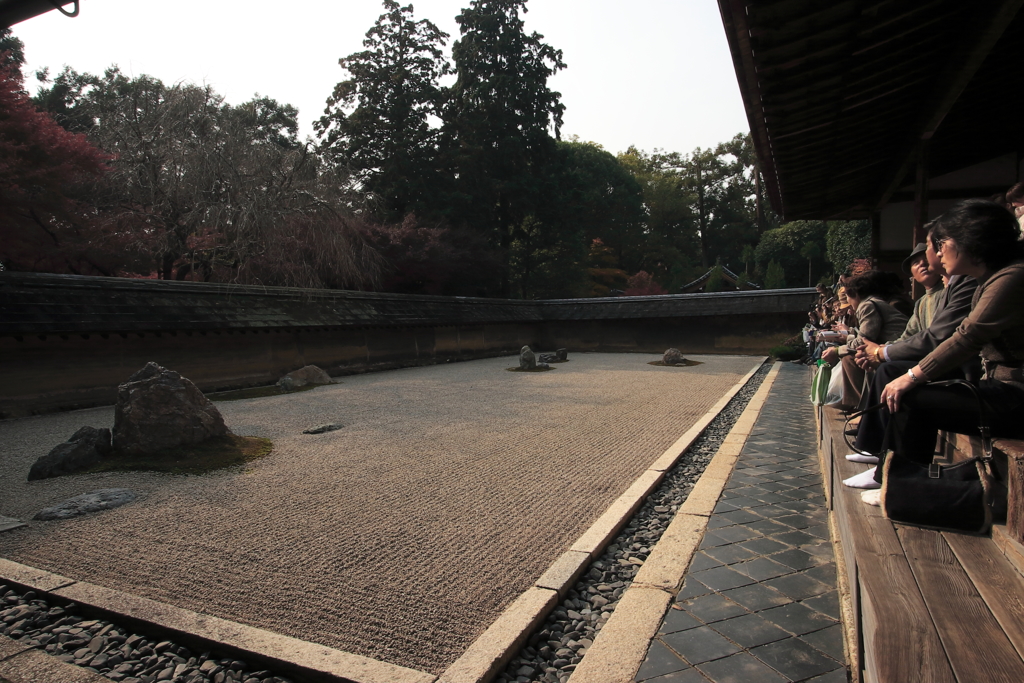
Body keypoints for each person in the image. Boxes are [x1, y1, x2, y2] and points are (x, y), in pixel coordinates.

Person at [843, 199, 1024, 501]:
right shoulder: (992, 279)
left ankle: (902, 484)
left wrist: (913, 375)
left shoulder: (1011, 279)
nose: (937, 253)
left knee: (912, 396)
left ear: (969, 238)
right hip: (1004, 387)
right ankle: (892, 474)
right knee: (908, 389)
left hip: (1015, 392)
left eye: (942, 243)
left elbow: (967, 337)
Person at [842, 241, 977, 467]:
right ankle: (874, 448)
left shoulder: (959, 290)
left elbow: (937, 338)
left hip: (948, 362)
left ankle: (894, 463)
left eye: (926, 256)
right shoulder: (923, 301)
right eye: (915, 262)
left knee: (890, 370)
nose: (922, 264)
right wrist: (880, 352)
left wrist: (883, 352)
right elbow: (909, 336)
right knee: (880, 364)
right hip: (929, 356)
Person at [821, 271, 908, 410]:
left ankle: (864, 408)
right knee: (853, 357)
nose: (848, 302)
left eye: (848, 298)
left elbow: (864, 340)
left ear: (855, 295)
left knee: (854, 358)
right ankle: (858, 405)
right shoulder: (873, 303)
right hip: (891, 346)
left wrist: (837, 350)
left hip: (894, 348)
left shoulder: (867, 305)